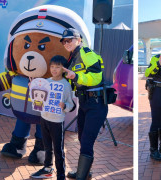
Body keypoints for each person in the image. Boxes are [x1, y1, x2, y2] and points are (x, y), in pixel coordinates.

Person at [60, 28, 108, 179]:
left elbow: (96, 77)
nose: (67, 43)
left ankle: (82, 176)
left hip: (96, 104)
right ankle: (85, 172)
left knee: (86, 140)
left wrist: (76, 76)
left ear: (78, 40)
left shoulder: (85, 52)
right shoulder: (72, 56)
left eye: (70, 40)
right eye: (64, 41)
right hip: (85, 103)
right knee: (82, 138)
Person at [31, 56, 74, 180]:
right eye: (52, 67)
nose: (54, 70)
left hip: (57, 122)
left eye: (58, 67)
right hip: (44, 119)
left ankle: (61, 175)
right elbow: (38, 97)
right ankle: (47, 169)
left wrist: (64, 105)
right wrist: (33, 86)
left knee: (58, 150)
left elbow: (70, 104)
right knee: (47, 146)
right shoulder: (46, 82)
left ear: (63, 69)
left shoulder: (66, 85)